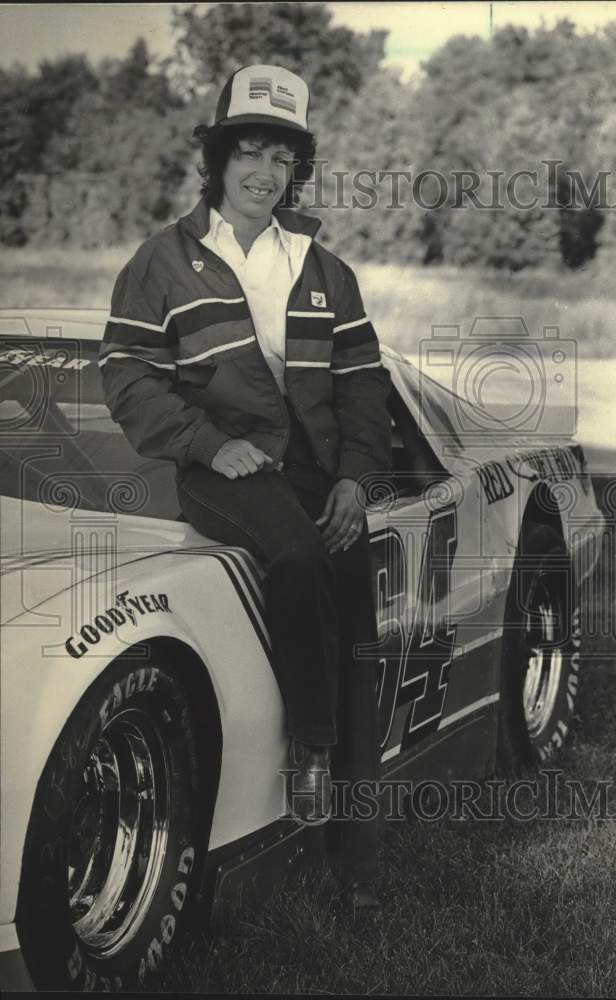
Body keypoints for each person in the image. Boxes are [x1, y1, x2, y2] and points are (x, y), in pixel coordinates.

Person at [98, 64, 391, 914]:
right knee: (297, 554)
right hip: (219, 470)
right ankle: (310, 746)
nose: (264, 172)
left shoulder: (325, 269)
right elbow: (127, 377)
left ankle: (359, 867)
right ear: (218, 160)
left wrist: (355, 482)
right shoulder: (162, 262)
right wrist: (206, 442)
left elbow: (362, 387)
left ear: (297, 169)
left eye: (281, 157)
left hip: (316, 473)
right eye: (248, 152)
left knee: (355, 638)